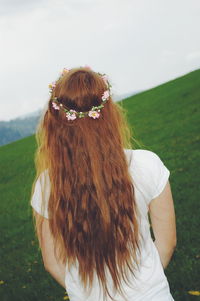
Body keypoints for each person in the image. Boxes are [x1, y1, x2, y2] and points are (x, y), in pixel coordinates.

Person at [30, 66, 176, 301]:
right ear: (108, 113)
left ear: (55, 122)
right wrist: (144, 287)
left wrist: (83, 293)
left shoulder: (46, 184)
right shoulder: (147, 164)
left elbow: (53, 263)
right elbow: (167, 244)